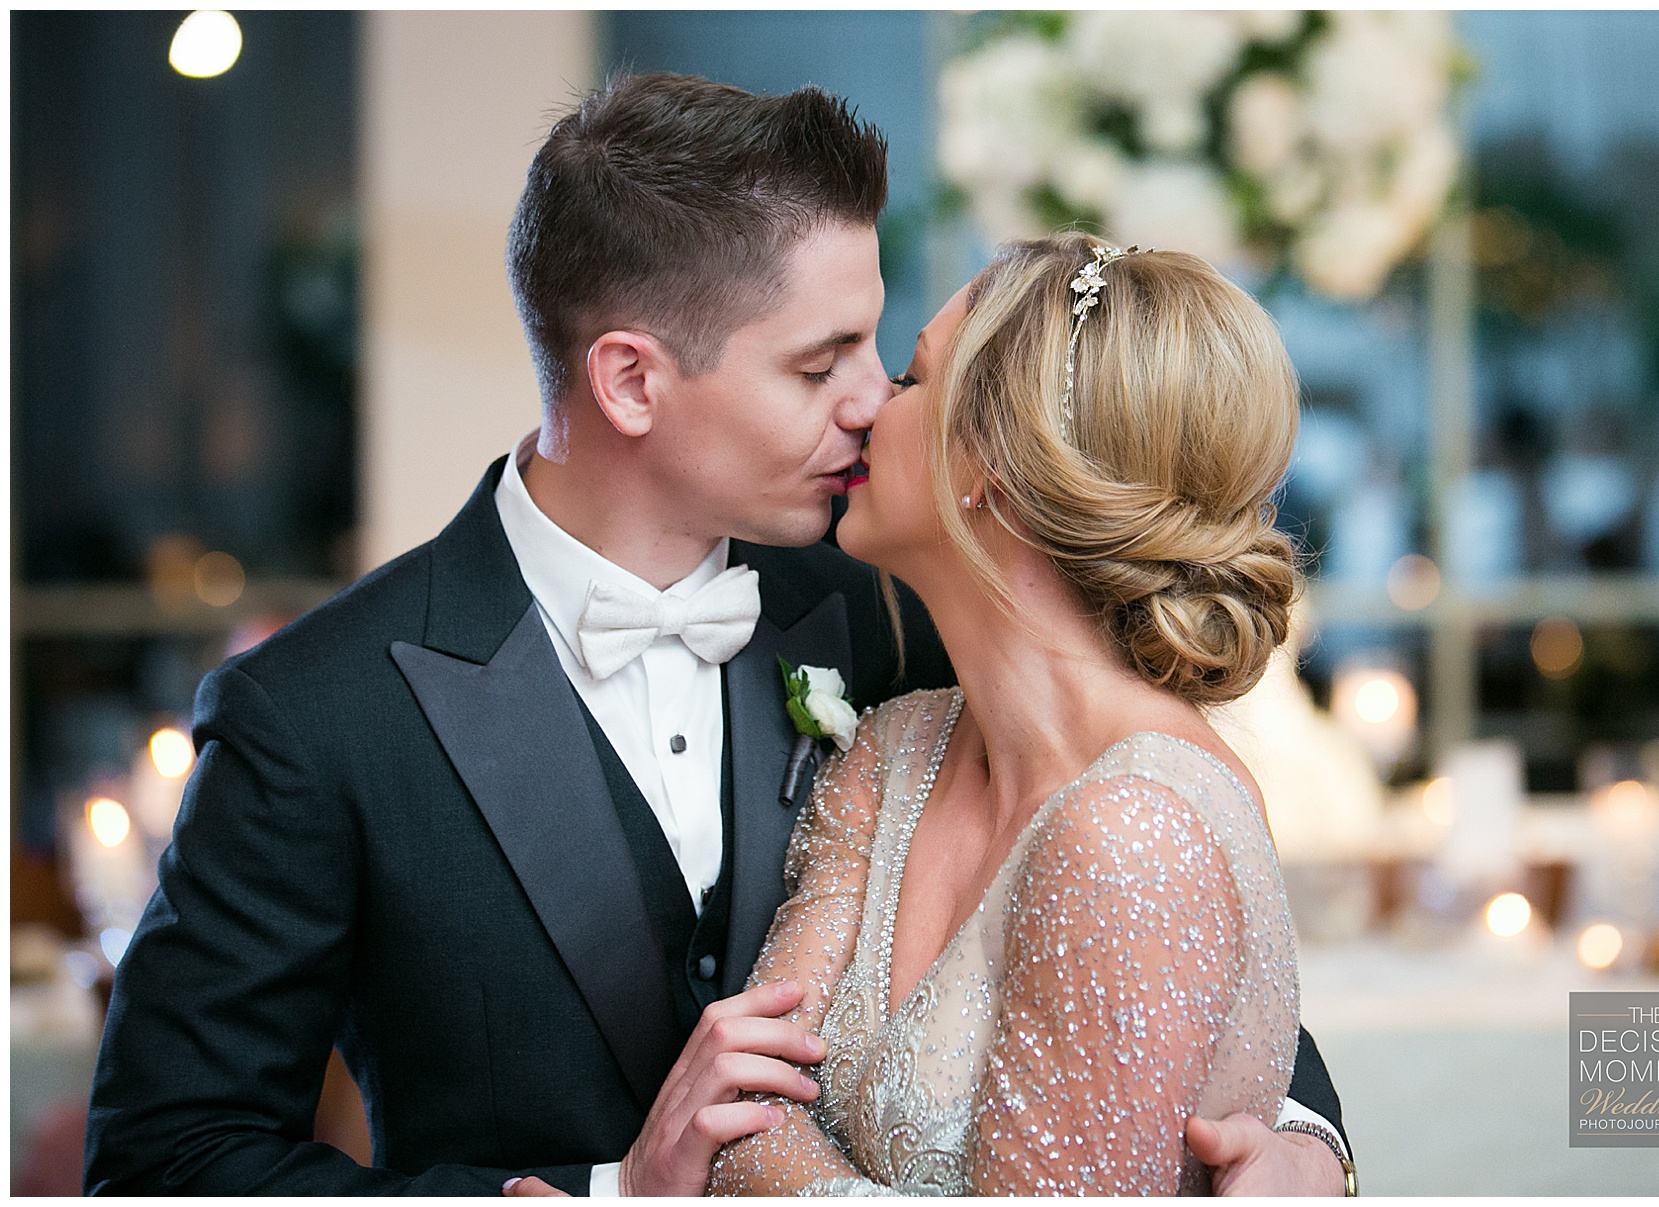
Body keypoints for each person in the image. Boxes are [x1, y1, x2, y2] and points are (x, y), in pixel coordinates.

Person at [84, 74, 1347, 1196]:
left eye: (878, 346)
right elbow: (163, 1163)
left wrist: (1302, 1140)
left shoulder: (899, 607)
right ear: (631, 380)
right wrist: (604, 1195)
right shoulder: (316, 715)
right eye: (820, 364)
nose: (874, 400)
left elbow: (1137, 923)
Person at [704, 234, 1322, 1195]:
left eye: (911, 379)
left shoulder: (1134, 835)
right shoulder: (892, 751)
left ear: (989, 457)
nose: (868, 406)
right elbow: (739, 1115)